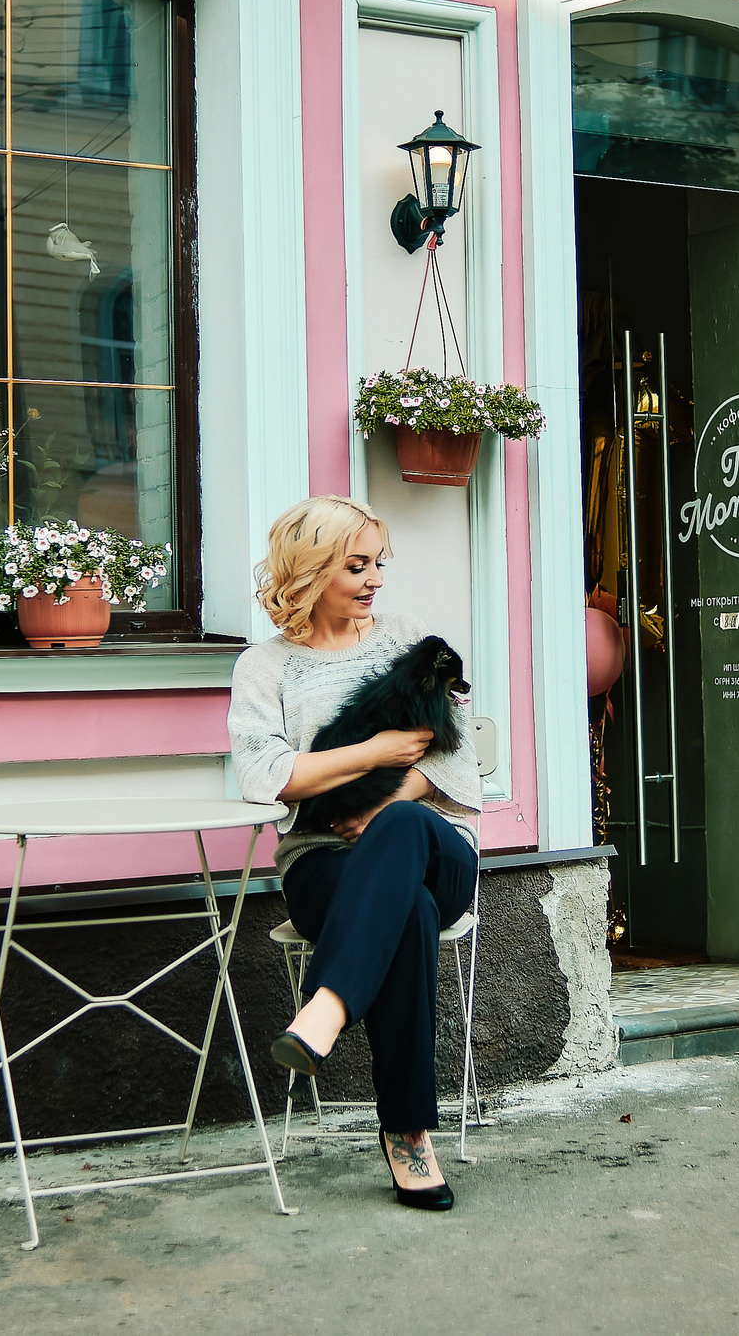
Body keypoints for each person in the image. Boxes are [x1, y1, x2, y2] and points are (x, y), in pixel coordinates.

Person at [227, 495, 481, 1211]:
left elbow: (456, 762)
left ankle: (325, 1010)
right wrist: (369, 750)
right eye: (355, 564)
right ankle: (408, 1134)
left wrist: (381, 801)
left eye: (378, 563)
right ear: (309, 571)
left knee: (399, 833)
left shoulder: (408, 640)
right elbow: (264, 775)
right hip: (321, 863)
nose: (374, 579)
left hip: (434, 844)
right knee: (408, 915)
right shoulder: (265, 666)